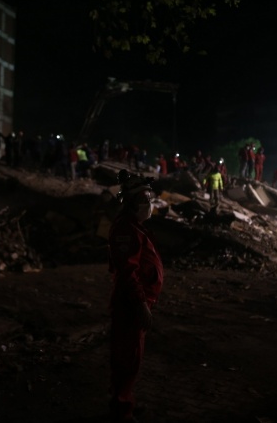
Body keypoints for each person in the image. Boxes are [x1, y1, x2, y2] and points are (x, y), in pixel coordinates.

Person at [108, 169, 164, 423]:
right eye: (145, 200)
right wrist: (141, 304)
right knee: (127, 359)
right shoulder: (126, 230)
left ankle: (125, 402)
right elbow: (128, 272)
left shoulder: (134, 227)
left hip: (135, 302)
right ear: (134, 204)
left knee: (131, 357)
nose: (150, 204)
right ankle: (122, 411)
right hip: (129, 304)